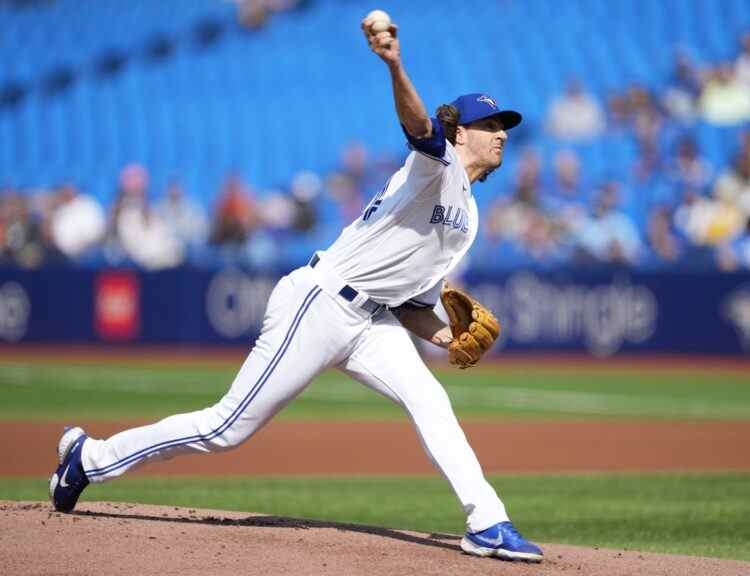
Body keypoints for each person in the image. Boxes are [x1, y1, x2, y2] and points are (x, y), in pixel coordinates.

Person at [49, 15, 543, 564]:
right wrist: (394, 63)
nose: (501, 132)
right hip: (322, 300)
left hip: (372, 320)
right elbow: (418, 125)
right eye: (489, 122)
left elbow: (411, 304)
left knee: (431, 399)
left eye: (505, 124)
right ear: (460, 132)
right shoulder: (438, 165)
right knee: (226, 428)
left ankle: (487, 523)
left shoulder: (469, 217)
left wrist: (447, 337)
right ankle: (88, 459)